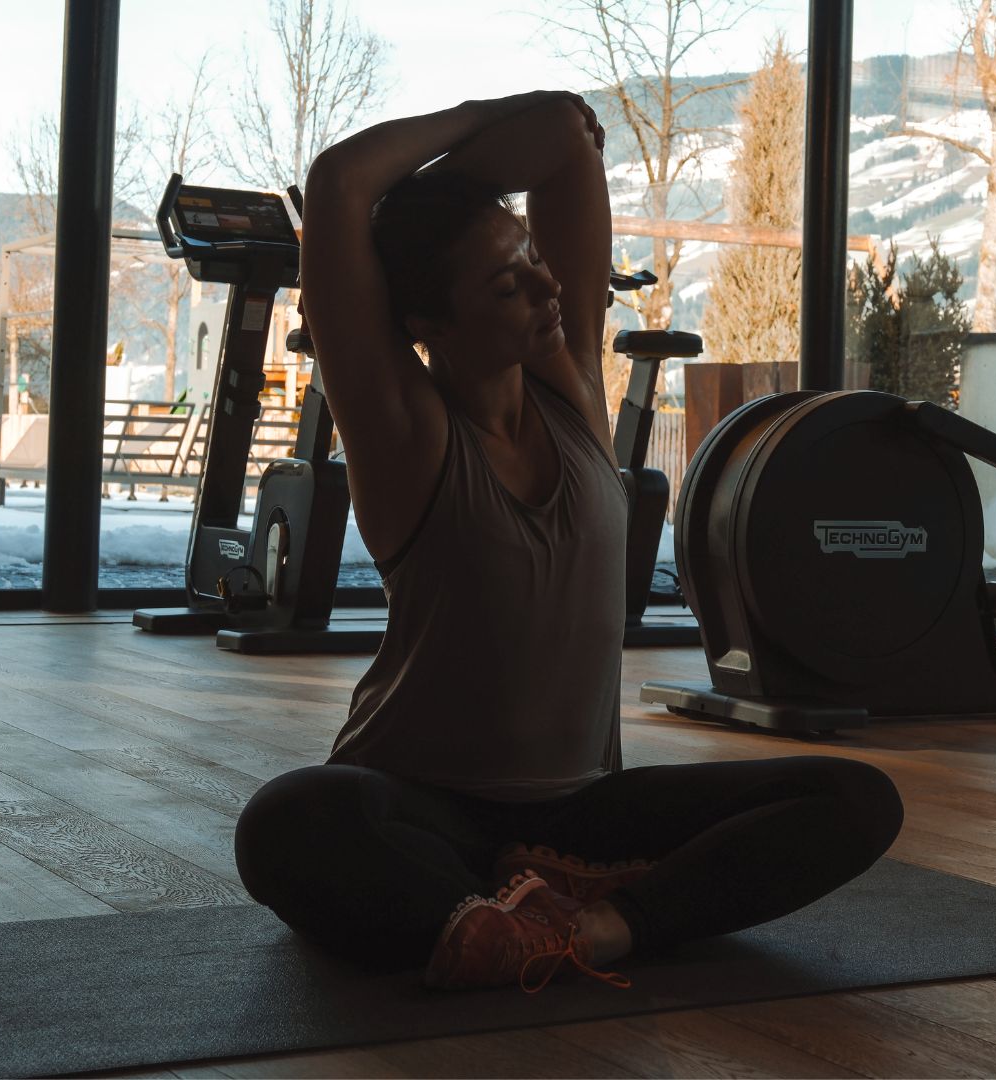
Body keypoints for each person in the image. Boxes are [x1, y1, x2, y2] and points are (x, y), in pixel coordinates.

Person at [232, 90, 903, 993]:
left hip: (581, 816)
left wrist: (444, 211)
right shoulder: (404, 433)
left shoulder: (574, 391)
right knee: (288, 821)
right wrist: (427, 194)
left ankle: (584, 926)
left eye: (535, 259)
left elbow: (563, 135)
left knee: (857, 799)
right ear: (427, 324)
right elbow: (340, 183)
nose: (548, 289)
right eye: (507, 285)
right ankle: (502, 908)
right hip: (424, 807)